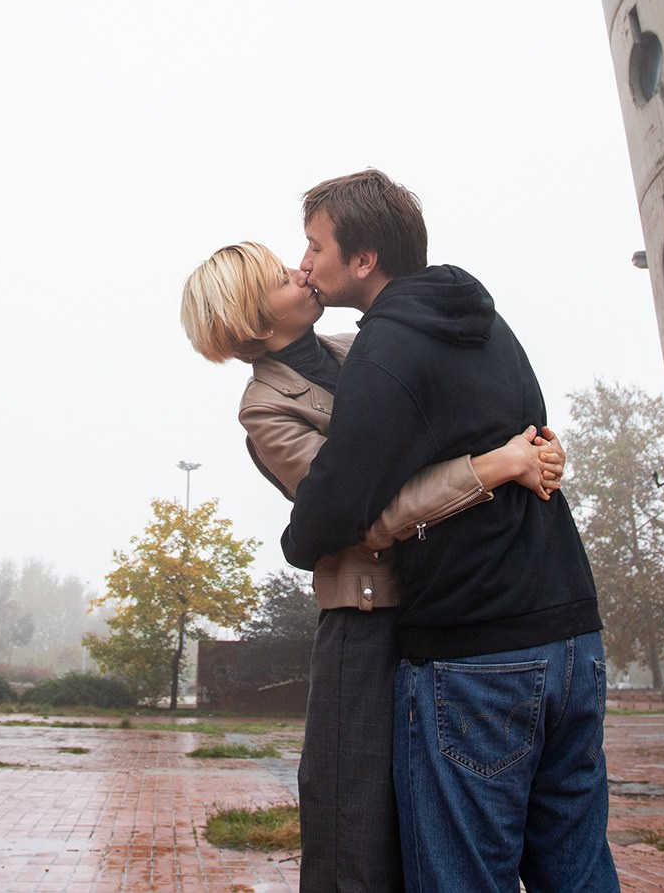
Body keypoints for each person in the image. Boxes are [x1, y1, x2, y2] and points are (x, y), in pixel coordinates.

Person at [181, 241, 564, 893]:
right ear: (253, 320)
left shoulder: (361, 346)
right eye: (281, 276)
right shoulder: (266, 409)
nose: (301, 269)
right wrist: (492, 467)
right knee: (352, 829)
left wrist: (531, 447)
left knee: (428, 821)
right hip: (363, 625)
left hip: (438, 603)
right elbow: (366, 512)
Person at [282, 169, 619, 893]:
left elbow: (336, 503)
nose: (305, 262)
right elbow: (534, 436)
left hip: (479, 654)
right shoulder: (489, 323)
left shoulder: (386, 347)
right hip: (573, 635)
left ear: (363, 259)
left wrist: (297, 542)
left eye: (315, 245)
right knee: (579, 870)